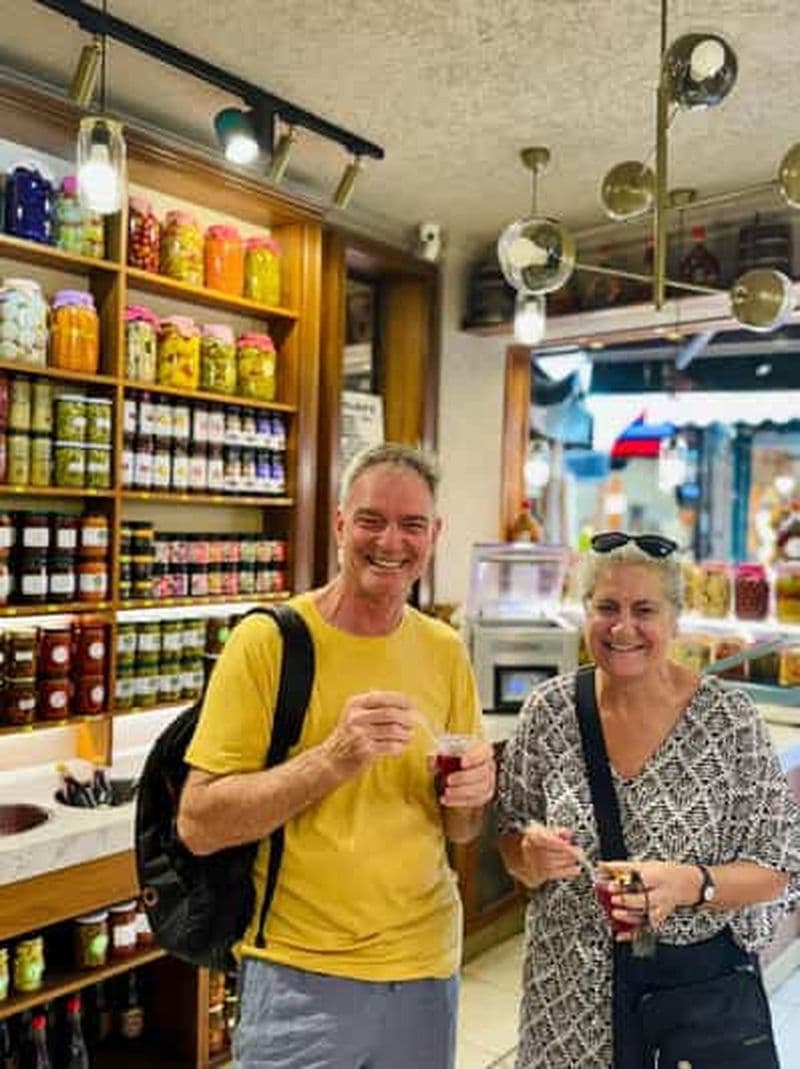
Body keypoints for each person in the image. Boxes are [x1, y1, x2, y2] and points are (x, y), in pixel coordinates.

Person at [178, 443, 495, 1069]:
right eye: (372, 520)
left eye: (411, 525)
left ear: (434, 534)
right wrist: (332, 759)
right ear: (341, 524)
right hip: (300, 979)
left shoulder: (445, 649)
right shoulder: (268, 643)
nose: (391, 542)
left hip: (426, 974)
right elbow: (199, 823)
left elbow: (461, 828)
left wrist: (472, 797)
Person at [497, 531, 800, 1069]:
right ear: (585, 611)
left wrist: (689, 883)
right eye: (607, 607)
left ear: (675, 621)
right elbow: (511, 839)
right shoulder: (549, 711)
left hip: (687, 1010)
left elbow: (777, 867)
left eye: (644, 610)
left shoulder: (728, 720)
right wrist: (529, 856)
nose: (623, 628)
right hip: (565, 1008)